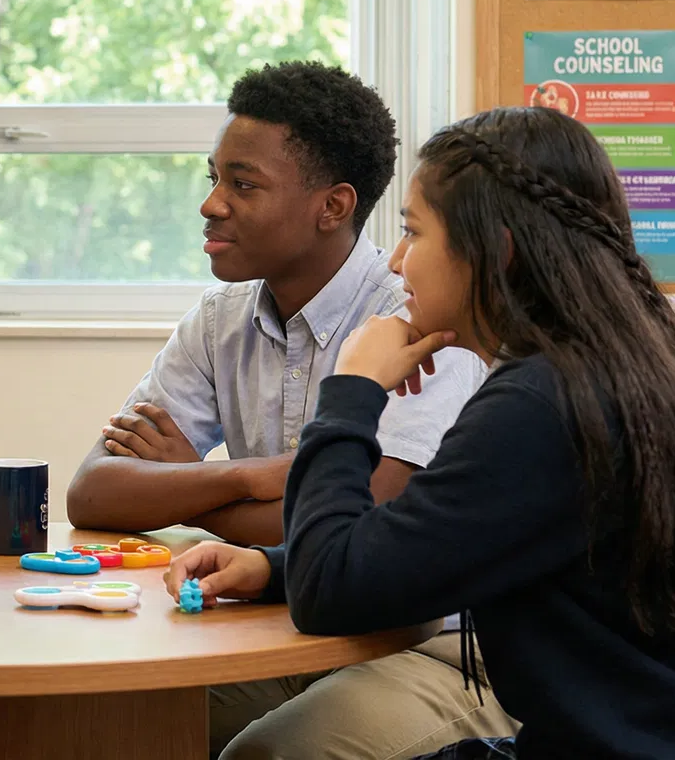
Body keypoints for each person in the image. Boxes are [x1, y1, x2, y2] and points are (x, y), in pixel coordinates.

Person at [166, 106, 675, 759]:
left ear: (497, 254)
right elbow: (435, 539)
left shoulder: (544, 402)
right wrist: (270, 567)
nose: (397, 263)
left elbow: (329, 593)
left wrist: (351, 391)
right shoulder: (619, 365)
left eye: (415, 234)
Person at [63, 61, 512, 758]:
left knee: (265, 755)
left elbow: (367, 528)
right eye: (211, 178)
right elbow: (94, 493)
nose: (212, 204)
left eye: (242, 185)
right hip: (286, 623)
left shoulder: (421, 321)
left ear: (332, 207)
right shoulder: (219, 321)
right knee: (105, 718)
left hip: (432, 647)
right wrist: (249, 478)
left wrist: (179, 491)